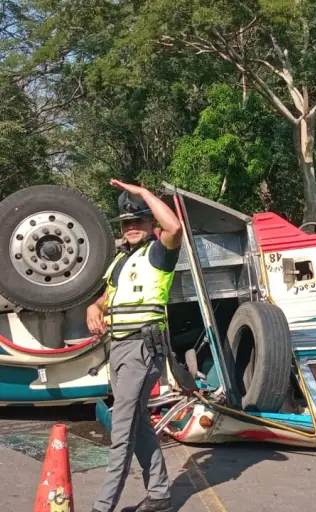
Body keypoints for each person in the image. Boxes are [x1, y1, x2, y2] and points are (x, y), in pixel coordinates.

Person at [87, 179, 182, 512]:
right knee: (138, 423)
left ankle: (103, 507)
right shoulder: (120, 261)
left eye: (138, 220)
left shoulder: (158, 253)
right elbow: (106, 299)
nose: (131, 227)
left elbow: (175, 227)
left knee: (122, 429)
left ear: (150, 222)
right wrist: (93, 307)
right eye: (126, 223)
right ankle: (159, 495)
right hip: (118, 349)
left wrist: (143, 193)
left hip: (142, 348)